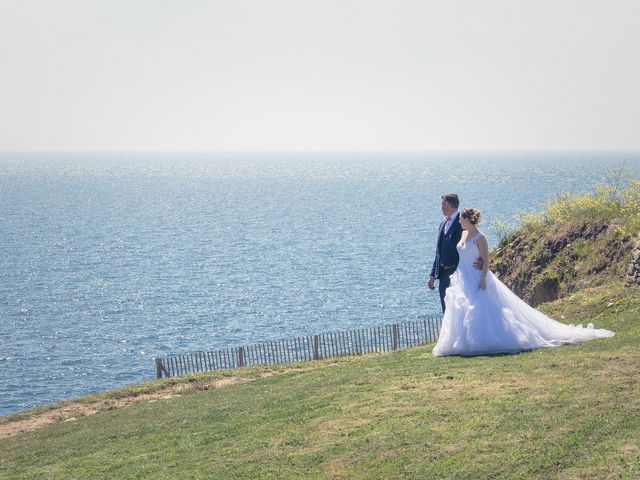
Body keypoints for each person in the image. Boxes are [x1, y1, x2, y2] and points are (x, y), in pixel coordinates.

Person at [432, 208, 614, 356]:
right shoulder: (463, 235)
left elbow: (486, 260)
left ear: (469, 220)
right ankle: (460, 341)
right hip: (462, 276)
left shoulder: (481, 238)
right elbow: (461, 251)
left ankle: (484, 340)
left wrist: (482, 278)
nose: (459, 222)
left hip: (476, 275)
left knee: (480, 307)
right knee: (460, 307)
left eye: (462, 219)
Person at [428, 193, 482, 313]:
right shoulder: (442, 224)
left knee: (459, 309)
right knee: (446, 310)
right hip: (443, 275)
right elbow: (438, 251)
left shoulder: (462, 222)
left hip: (458, 273)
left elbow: (476, 239)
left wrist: (481, 259)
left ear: (447, 204)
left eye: (442, 203)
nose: (441, 206)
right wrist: (432, 274)